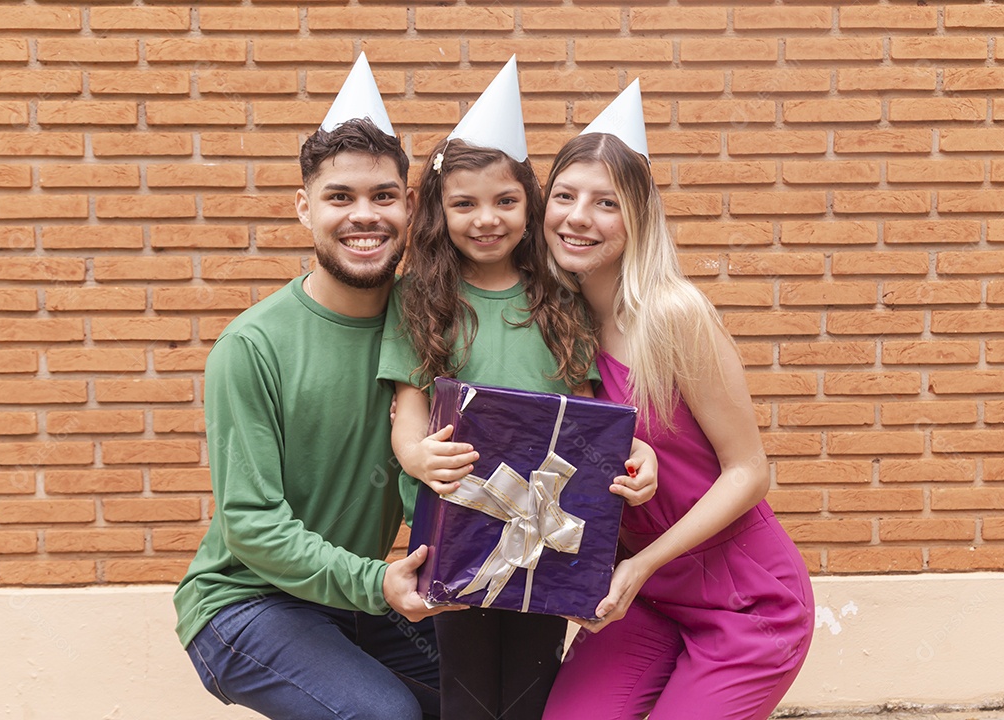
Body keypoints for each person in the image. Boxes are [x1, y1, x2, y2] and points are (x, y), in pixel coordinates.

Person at [172, 54, 458, 720]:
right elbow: (252, 526)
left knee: (489, 698)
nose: (365, 215)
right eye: (340, 197)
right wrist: (376, 581)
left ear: (409, 206)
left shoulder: (427, 322)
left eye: (383, 196)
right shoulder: (253, 346)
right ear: (305, 208)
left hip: (354, 597)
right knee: (383, 716)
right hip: (245, 603)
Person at [377, 59, 656, 720]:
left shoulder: (557, 295)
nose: (487, 219)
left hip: (545, 526)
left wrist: (635, 449)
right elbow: (408, 404)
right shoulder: (420, 297)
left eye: (505, 201)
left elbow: (588, 407)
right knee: (467, 688)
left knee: (533, 683)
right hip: (457, 519)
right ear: (438, 210)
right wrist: (416, 455)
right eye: (464, 204)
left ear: (529, 203)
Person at [540, 82, 815, 720]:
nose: (578, 217)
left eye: (606, 203)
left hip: (747, 600)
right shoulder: (560, 322)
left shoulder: (674, 316)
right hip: (647, 597)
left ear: (638, 217)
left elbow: (749, 471)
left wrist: (640, 566)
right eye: (565, 196)